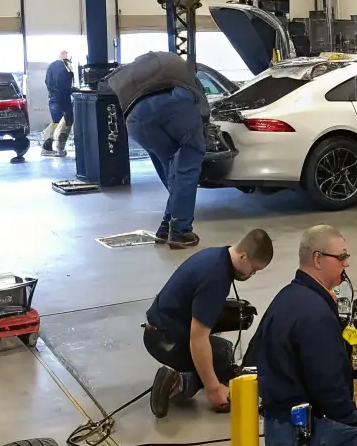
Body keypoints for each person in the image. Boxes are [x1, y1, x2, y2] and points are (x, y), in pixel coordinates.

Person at [249, 224, 357, 446]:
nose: (347, 264)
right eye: (341, 257)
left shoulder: (287, 297)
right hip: (302, 440)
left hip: (279, 428)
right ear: (318, 259)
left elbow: (253, 356)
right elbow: (333, 398)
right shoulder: (316, 316)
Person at [145, 228, 273, 416]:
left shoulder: (215, 256)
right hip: (165, 342)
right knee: (221, 360)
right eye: (253, 269)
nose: (251, 275)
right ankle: (178, 383)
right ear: (244, 257)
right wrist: (213, 389)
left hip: (160, 329)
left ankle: (189, 377)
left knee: (223, 350)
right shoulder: (216, 279)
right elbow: (198, 339)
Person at [106, 50, 210, 249]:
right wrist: (201, 135)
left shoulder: (142, 70)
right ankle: (180, 232)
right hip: (175, 102)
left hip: (134, 116)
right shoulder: (182, 70)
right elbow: (202, 106)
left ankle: (165, 228)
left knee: (171, 167)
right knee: (188, 165)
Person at [41, 51, 74, 157]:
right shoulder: (62, 67)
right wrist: (71, 90)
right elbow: (63, 83)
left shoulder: (52, 66)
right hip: (62, 98)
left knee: (57, 122)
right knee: (65, 123)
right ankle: (58, 149)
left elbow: (47, 81)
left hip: (54, 98)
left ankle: (47, 146)